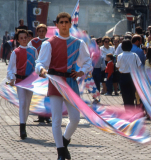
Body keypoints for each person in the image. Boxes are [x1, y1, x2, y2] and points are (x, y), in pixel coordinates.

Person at [35, 12, 92, 160]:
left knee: (75, 118)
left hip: (71, 84)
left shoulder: (78, 43)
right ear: (57, 24)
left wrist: (81, 72)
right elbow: (40, 63)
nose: (64, 24)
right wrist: (41, 70)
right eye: (61, 22)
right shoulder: (49, 43)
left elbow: (87, 62)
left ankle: (65, 141)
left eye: (67, 22)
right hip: (55, 82)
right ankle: (60, 152)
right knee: (57, 120)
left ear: (70, 24)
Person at [7, 29, 38, 140]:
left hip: (31, 81)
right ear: (18, 40)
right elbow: (10, 68)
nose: (24, 39)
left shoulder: (33, 50)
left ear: (28, 37)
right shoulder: (15, 52)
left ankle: (24, 123)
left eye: (25, 37)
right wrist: (11, 78)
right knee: (23, 103)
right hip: (20, 81)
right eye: (21, 38)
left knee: (28, 105)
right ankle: (22, 129)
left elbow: (37, 65)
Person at [27, 24, 51, 123]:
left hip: (48, 70)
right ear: (37, 32)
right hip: (37, 71)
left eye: (43, 31)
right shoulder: (32, 42)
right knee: (39, 93)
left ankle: (47, 115)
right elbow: (28, 54)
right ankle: (40, 115)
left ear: (46, 31)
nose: (41, 33)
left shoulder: (50, 41)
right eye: (39, 31)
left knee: (47, 93)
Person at [116, 39, 142, 109]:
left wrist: (122, 70)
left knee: (125, 95)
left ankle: (128, 112)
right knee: (132, 95)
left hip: (123, 76)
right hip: (133, 76)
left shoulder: (120, 56)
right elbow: (139, 66)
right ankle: (133, 110)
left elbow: (117, 66)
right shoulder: (134, 55)